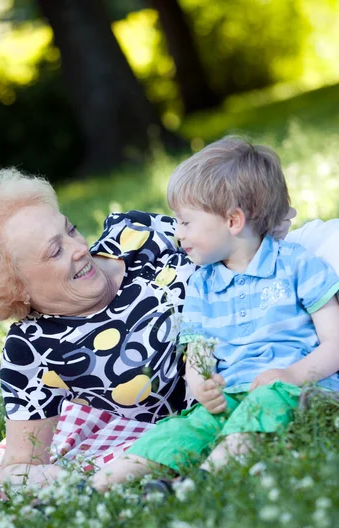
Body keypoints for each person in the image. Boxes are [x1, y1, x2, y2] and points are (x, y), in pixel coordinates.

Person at [91, 136, 339, 492]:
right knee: (179, 428)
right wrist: (200, 384)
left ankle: (199, 483)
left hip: (296, 392)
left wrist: (291, 374)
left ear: (233, 220)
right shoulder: (203, 285)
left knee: (261, 407)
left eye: (186, 222)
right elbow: (199, 353)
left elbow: (334, 342)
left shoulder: (298, 265)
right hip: (231, 396)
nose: (178, 234)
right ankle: (93, 488)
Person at [0, 167, 197, 488]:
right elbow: (19, 467)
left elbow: (229, 240)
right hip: (206, 415)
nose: (79, 248)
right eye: (55, 251)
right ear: (16, 286)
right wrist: (55, 482)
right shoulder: (34, 349)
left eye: (71, 230)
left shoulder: (136, 234)